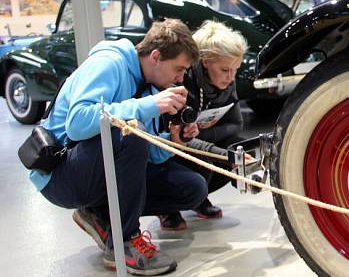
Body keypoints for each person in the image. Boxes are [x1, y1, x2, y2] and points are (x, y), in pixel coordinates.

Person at [32, 18, 207, 275]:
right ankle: (124, 242)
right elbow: (77, 123)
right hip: (60, 174)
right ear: (156, 56)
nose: (180, 78)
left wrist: (175, 141)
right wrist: (148, 106)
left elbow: (149, 158)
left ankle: (99, 213)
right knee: (130, 133)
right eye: (178, 69)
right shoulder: (108, 64)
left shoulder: (149, 87)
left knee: (193, 188)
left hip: (93, 167)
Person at [158, 20, 250, 230]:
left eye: (235, 69)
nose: (231, 77)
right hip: (173, 149)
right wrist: (211, 143)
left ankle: (199, 198)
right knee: (213, 156)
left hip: (199, 139)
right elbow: (176, 138)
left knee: (238, 147)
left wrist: (205, 133)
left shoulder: (228, 83)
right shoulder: (182, 80)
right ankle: (167, 207)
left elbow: (237, 124)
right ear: (206, 61)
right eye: (225, 69)